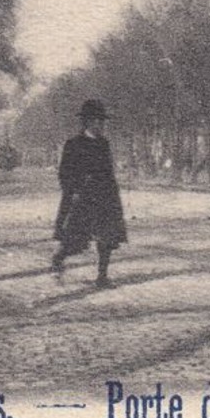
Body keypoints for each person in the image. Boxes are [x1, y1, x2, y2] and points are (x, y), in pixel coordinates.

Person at [53, 99, 128, 288]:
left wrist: (113, 194)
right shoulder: (74, 144)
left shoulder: (104, 143)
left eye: (102, 121)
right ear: (87, 122)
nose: (100, 125)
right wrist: (74, 190)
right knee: (77, 241)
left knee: (107, 237)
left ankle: (102, 276)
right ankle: (59, 257)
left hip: (104, 196)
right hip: (82, 197)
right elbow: (64, 172)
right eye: (96, 121)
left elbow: (108, 171)